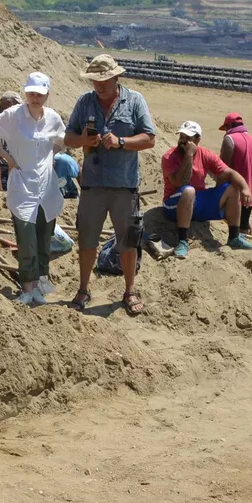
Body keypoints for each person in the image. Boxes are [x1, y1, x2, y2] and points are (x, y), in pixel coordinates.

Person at [64, 54, 155, 315]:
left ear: (116, 77)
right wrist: (83, 140)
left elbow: (149, 139)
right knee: (87, 239)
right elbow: (68, 137)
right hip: (92, 185)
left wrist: (121, 142)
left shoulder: (135, 100)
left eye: (103, 79)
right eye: (94, 80)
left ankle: (130, 290)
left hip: (124, 185)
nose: (98, 85)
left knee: (128, 241)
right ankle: (83, 289)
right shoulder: (84, 102)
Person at [0, 72, 67, 305]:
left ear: (47, 95)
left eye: (39, 94)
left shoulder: (52, 118)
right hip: (22, 186)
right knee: (25, 236)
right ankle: (27, 285)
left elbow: (62, 142)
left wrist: (50, 156)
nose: (35, 97)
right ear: (25, 92)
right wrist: (7, 157)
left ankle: (41, 279)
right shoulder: (12, 116)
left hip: (47, 186)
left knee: (44, 235)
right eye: (31, 93)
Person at [160, 121, 252, 257]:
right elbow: (180, 182)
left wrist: (245, 188)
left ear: (198, 140)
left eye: (188, 138)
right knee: (188, 190)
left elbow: (229, 173)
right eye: (182, 137)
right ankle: (182, 241)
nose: (183, 141)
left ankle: (234, 237)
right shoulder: (169, 157)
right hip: (174, 204)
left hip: (198, 201)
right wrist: (189, 156)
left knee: (233, 188)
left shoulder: (205, 154)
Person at [217, 112, 252, 240]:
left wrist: (218, 191)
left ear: (229, 125)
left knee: (233, 228)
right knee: (242, 231)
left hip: (234, 192)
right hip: (250, 194)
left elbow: (223, 170)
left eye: (225, 128)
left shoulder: (230, 139)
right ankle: (249, 229)